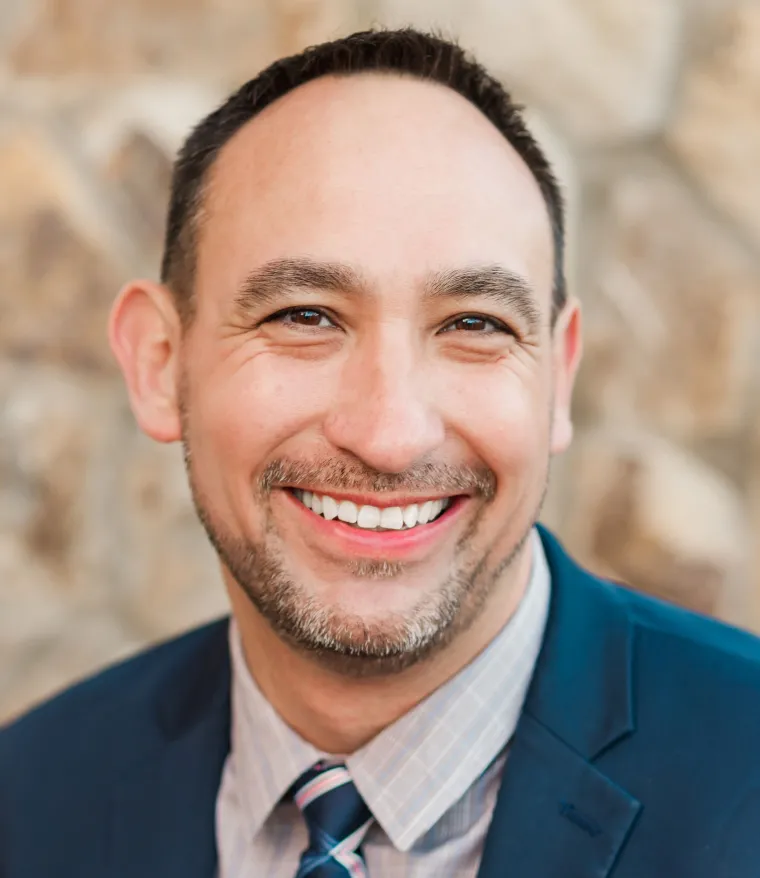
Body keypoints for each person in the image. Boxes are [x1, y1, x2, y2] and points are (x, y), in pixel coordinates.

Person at [1, 27, 759, 878]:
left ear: (558, 375)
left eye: (475, 325)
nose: (390, 435)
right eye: (304, 316)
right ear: (159, 364)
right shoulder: (29, 800)